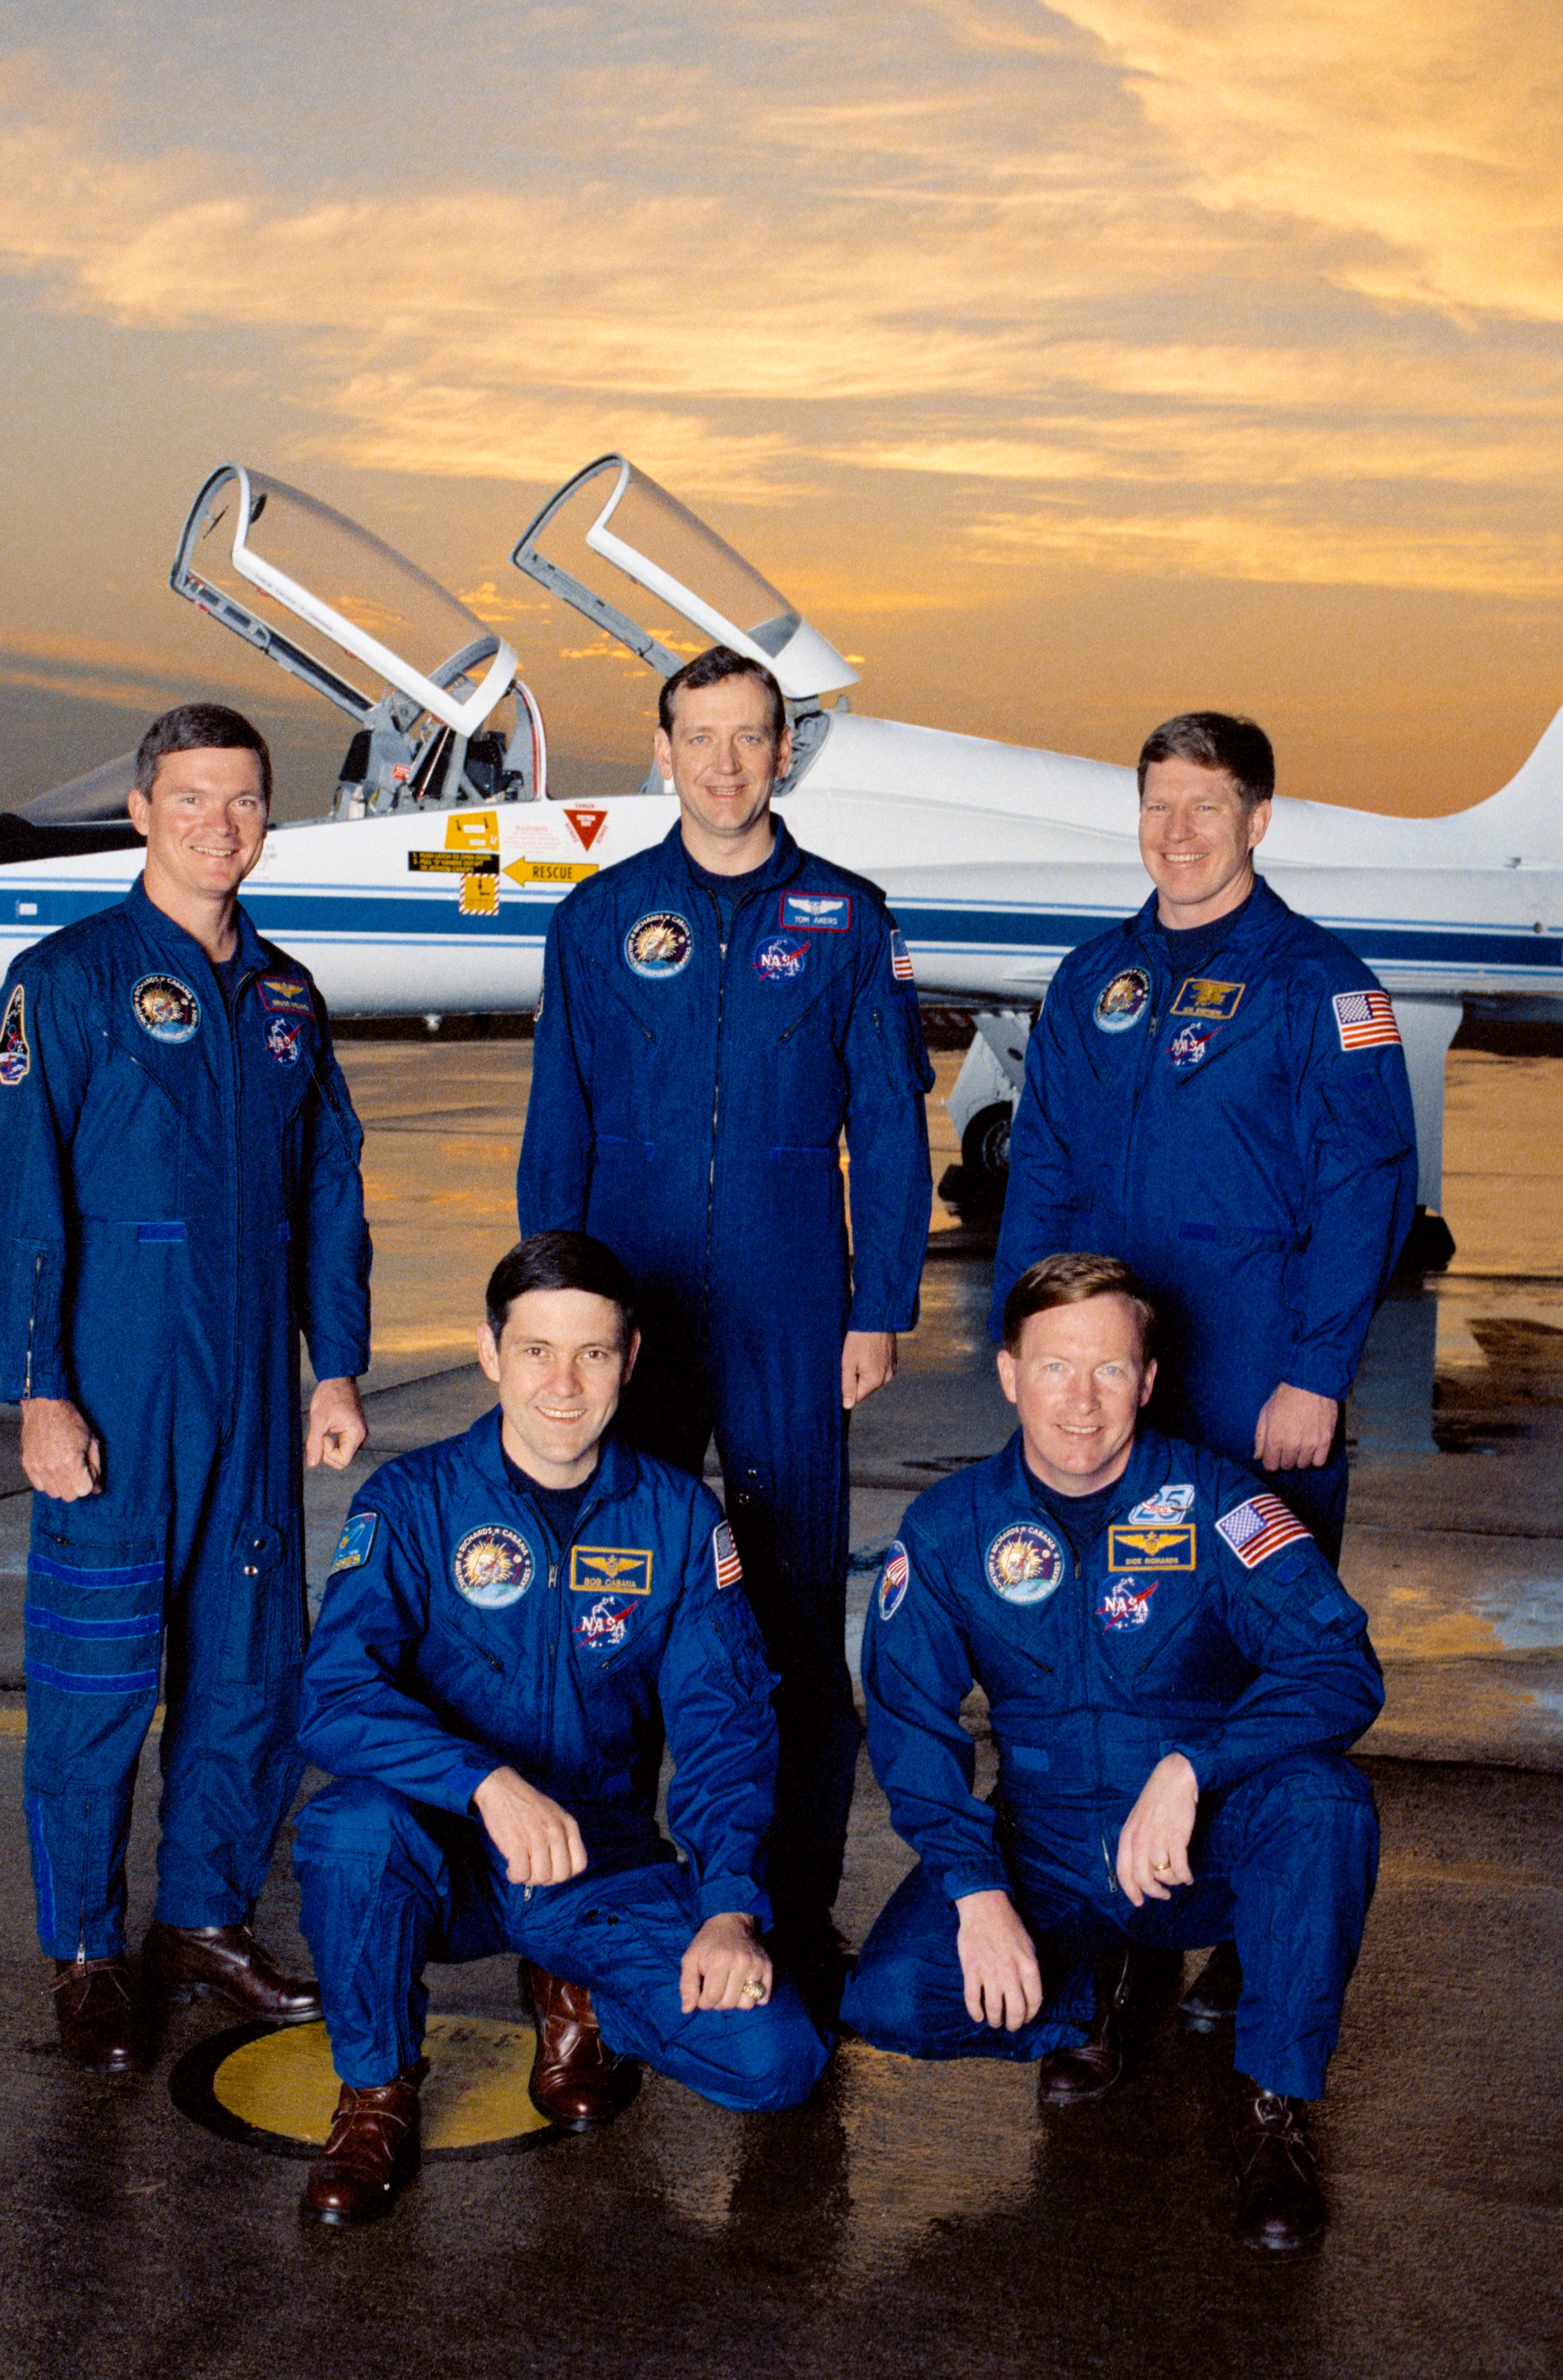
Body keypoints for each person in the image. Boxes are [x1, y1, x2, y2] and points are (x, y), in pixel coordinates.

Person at [518, 645, 936, 1971]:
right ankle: (610, 1905)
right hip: (625, 1308)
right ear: (661, 750)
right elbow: (557, 1131)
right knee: (609, 1614)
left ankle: (791, 1914)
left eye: (750, 736)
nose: (724, 762)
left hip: (787, 1307)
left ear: (783, 751)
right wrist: (548, 1320)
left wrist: (878, 1308)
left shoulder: (849, 919)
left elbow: (888, 1124)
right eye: (699, 737)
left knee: (799, 1622)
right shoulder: (596, 920)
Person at [0, 701, 371, 2072]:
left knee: (250, 1675)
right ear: (141, 812)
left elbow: (329, 1190)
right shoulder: (66, 980)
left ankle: (202, 1920)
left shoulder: (285, 999)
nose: (222, 825)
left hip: (256, 1391)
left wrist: (340, 1367)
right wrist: (41, 1389)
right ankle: (85, 1949)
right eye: (193, 798)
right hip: (121, 1389)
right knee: (96, 1678)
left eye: (247, 800)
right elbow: (20, 1202)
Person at [841, 1254, 1382, 2252]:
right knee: (889, 1996)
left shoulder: (1217, 1506)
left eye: (1108, 1370)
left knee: (1326, 1805)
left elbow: (1340, 1663)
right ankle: (1087, 1993)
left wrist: (1195, 1769)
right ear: (1008, 1374)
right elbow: (909, 1724)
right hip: (1043, 1844)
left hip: (1196, 1846)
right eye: (1054, 1368)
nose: (1080, 1402)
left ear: (1149, 1379)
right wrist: (976, 1892)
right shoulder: (953, 1528)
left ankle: (1274, 2108)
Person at [290, 1232, 831, 2225]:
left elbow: (726, 1729)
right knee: (350, 1830)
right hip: (441, 1853)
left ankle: (574, 1985)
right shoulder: (413, 1504)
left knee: (778, 2061)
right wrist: (484, 1783)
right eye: (536, 1350)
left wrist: (727, 1908)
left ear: (631, 1360)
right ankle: (374, 2093)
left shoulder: (676, 1519)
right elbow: (331, 1698)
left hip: (593, 1862)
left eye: (592, 1353)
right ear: (490, 1354)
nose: (563, 1383)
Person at [993, 710, 1417, 1567]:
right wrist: (1027, 1342)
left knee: (1261, 1622)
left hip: (1254, 1368)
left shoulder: (1322, 987)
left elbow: (1364, 1191)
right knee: (1114, 1614)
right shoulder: (1090, 980)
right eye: (1157, 807)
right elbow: (1041, 1173)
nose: (1176, 833)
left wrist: (1316, 1374)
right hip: (1105, 1369)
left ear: (1256, 820)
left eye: (1205, 808)